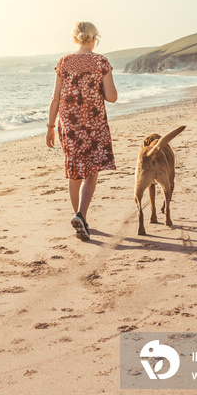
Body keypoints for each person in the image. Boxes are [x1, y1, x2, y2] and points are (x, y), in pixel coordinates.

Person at [46, 21, 118, 241]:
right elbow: (112, 97)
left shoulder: (64, 62)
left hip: (69, 126)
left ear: (75, 39)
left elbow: (55, 98)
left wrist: (50, 127)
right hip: (93, 124)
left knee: (74, 170)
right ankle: (81, 215)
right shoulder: (101, 62)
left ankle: (79, 219)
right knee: (92, 169)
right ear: (94, 39)